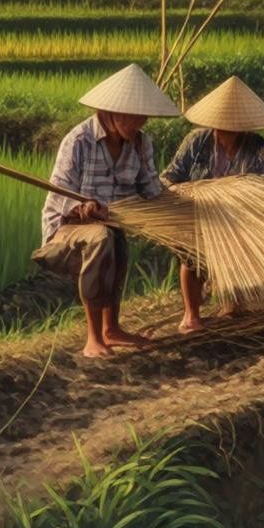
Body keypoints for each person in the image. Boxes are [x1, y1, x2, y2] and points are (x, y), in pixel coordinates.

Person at [34, 63, 177, 359]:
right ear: (112, 112)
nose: (140, 122)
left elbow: (150, 191)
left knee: (115, 238)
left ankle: (113, 329)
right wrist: (80, 208)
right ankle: (94, 337)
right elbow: (59, 193)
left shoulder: (141, 143)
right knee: (101, 237)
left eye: (143, 116)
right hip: (67, 229)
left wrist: (171, 195)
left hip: (113, 223)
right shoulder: (79, 141)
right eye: (133, 116)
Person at [162, 76, 264, 332]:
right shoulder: (196, 142)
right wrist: (190, 193)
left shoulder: (257, 146)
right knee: (190, 254)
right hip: (198, 216)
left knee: (240, 243)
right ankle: (191, 314)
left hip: (238, 217)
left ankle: (231, 302)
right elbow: (169, 178)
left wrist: (236, 194)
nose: (230, 128)